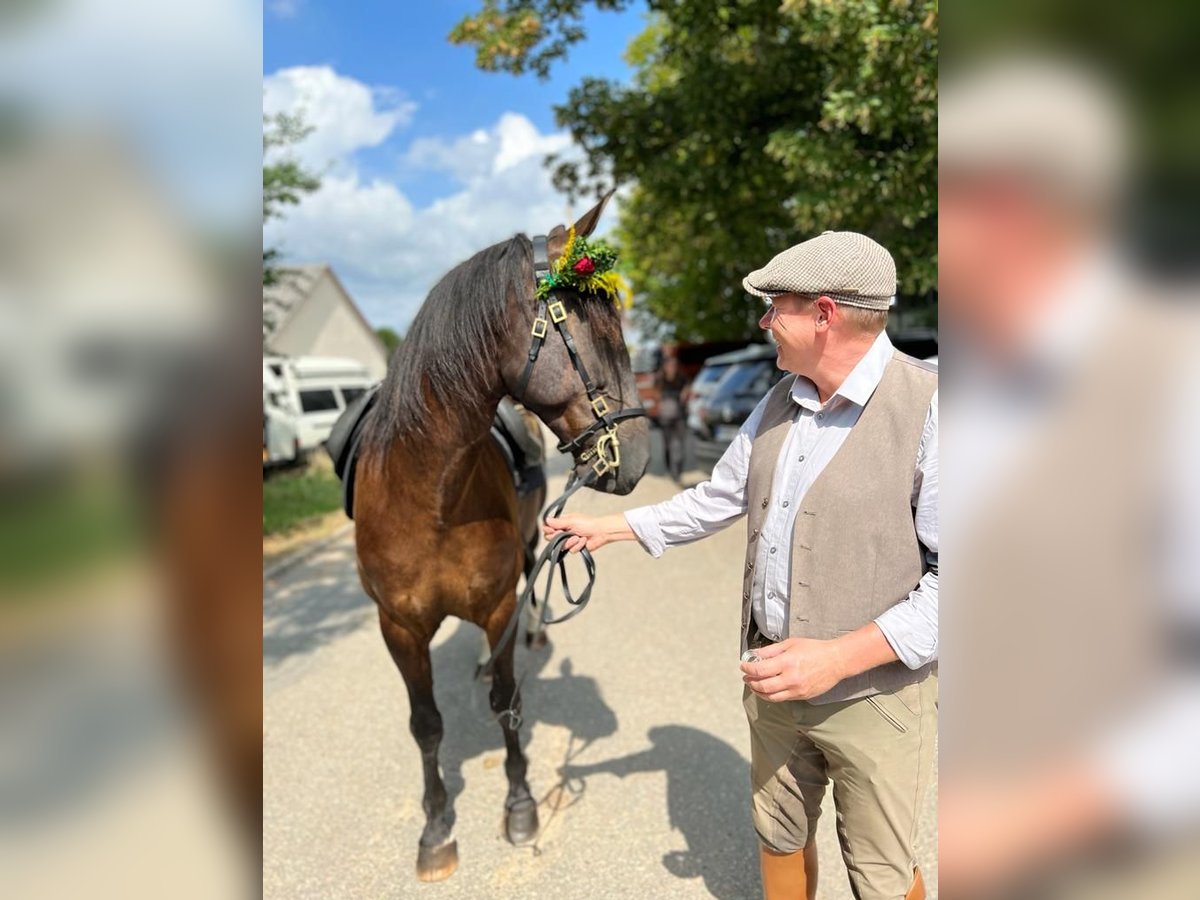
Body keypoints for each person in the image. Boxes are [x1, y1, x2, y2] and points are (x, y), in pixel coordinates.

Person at [545, 231, 937, 900]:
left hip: (877, 698)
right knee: (779, 835)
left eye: (772, 307)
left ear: (823, 314)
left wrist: (839, 657)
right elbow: (716, 499)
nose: (762, 323)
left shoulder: (933, 407)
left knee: (880, 872)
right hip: (774, 685)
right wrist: (609, 528)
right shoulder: (780, 399)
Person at [655, 354, 690, 484]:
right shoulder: (661, 379)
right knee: (667, 446)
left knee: (680, 445)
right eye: (669, 365)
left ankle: (679, 473)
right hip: (666, 416)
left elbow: (687, 387)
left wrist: (685, 393)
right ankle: (670, 471)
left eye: (673, 365)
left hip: (680, 415)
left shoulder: (681, 378)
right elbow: (656, 394)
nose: (671, 368)